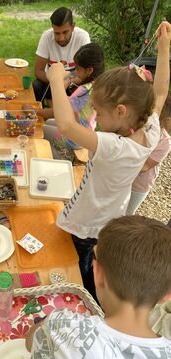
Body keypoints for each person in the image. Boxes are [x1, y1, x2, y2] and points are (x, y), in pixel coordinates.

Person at [45, 21, 170, 297]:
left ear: (122, 111)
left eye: (99, 113)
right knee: (90, 265)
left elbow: (66, 125)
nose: (96, 119)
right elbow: (159, 92)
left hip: (86, 223)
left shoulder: (114, 146)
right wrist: (163, 48)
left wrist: (55, 79)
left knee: (79, 269)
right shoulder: (148, 128)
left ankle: (84, 299)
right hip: (105, 217)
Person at [26, 215, 171, 359]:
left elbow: (30, 343)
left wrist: (46, 324)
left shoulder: (62, 326)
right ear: (167, 296)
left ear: (97, 272)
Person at [41, 43, 104, 158]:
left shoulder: (83, 91)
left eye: (78, 68)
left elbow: (59, 111)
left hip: (74, 138)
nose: (75, 72)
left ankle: (65, 155)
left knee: (42, 130)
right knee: (49, 122)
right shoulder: (98, 85)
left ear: (89, 70)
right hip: (86, 132)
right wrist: (71, 81)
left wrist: (36, 112)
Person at [127, 91, 171, 215]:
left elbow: (145, 166)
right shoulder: (140, 126)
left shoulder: (165, 142)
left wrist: (121, 162)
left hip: (139, 185)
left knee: (126, 214)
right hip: (124, 176)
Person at [33, 7, 90, 102]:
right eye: (57, 33)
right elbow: (38, 71)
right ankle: (39, 114)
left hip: (74, 83)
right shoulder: (46, 37)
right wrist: (57, 83)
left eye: (65, 32)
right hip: (52, 82)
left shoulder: (82, 37)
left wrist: (68, 81)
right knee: (36, 86)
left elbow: (86, 72)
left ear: (73, 27)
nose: (61, 38)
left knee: (86, 90)